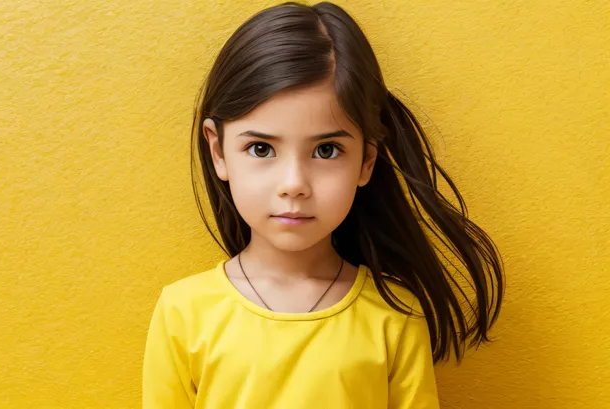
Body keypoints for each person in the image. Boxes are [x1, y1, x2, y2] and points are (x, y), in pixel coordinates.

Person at [142, 2, 504, 408]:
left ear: (367, 159)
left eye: (326, 150)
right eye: (261, 148)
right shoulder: (183, 312)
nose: (294, 184)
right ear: (218, 150)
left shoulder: (396, 316)